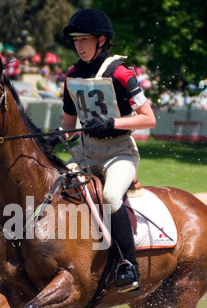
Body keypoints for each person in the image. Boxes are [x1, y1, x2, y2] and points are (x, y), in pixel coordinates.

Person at [58, 9, 156, 293]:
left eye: (84, 39)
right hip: (86, 154)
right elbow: (68, 125)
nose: (79, 46)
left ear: (102, 40)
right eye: (76, 40)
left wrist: (113, 122)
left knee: (112, 196)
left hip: (119, 152)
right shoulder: (72, 75)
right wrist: (55, 137)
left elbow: (148, 118)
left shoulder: (121, 72)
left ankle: (128, 266)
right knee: (52, 187)